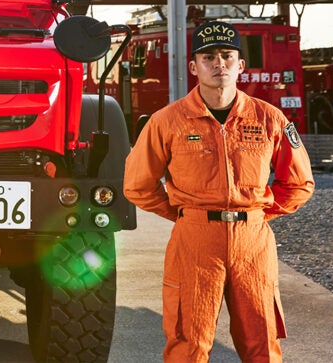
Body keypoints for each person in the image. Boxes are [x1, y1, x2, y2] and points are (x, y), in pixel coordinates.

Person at [123, 19, 314, 363]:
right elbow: (137, 185)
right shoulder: (166, 122)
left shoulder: (270, 118)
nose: (218, 64)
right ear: (194, 67)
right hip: (195, 242)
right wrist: (187, 214)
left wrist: (257, 214)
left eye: (226, 55)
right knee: (188, 344)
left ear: (240, 65)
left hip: (253, 243)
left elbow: (299, 184)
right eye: (208, 57)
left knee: (262, 344)